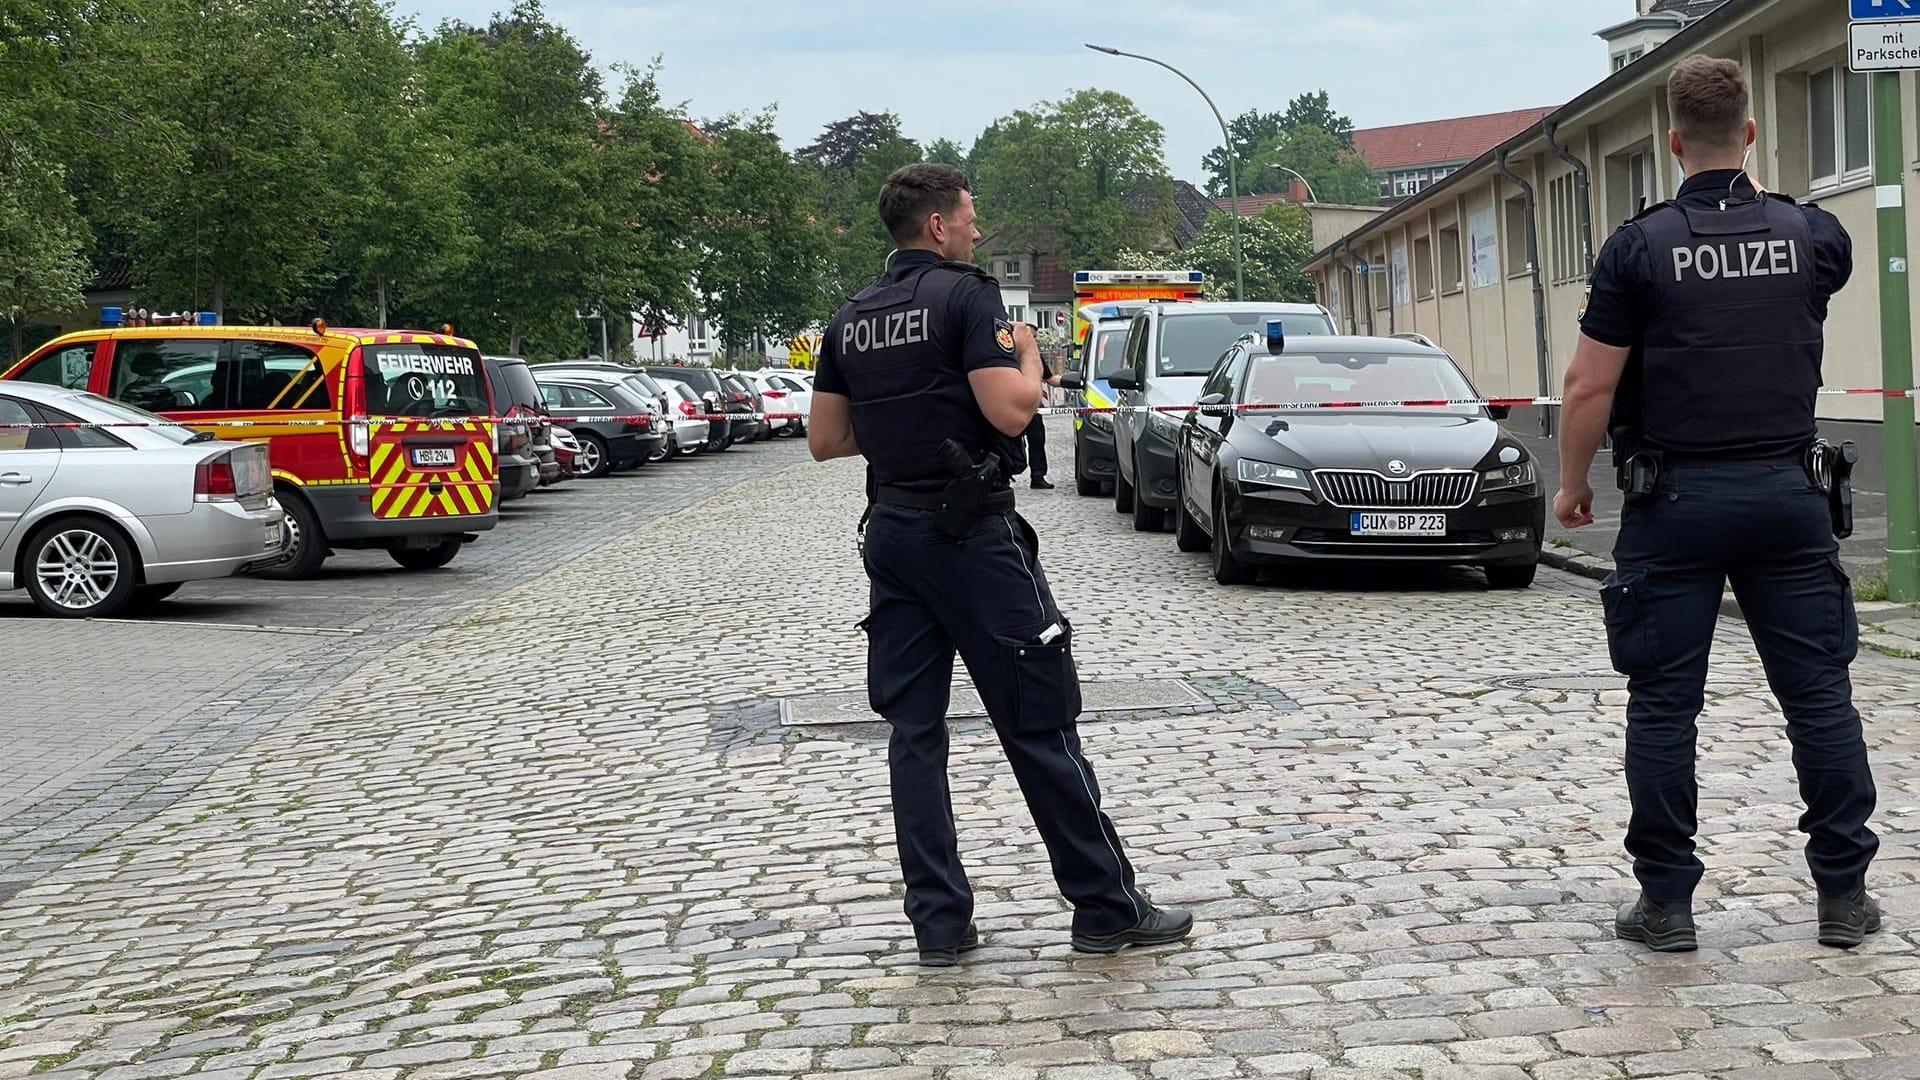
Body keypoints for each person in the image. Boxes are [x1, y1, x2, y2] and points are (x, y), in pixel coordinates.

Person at [806, 163, 1193, 965]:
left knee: (913, 734)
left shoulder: (851, 318)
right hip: (971, 539)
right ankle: (1104, 907)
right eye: (971, 218)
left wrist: (902, 420)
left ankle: (939, 928)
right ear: (939, 226)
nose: (978, 232)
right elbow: (1009, 409)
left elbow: (827, 439)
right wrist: (1030, 358)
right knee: (1039, 719)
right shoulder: (967, 296)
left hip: (892, 533)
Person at [1553, 56, 1880, 952]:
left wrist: (1576, 481)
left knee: (1664, 705)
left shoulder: (1637, 249)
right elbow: (1790, 263)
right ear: (1749, 133)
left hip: (1676, 500)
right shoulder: (1813, 236)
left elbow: (1588, 387)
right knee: (1818, 695)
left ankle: (1667, 906)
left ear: (1668, 141)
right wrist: (1754, 192)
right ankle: (1843, 900)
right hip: (1787, 494)